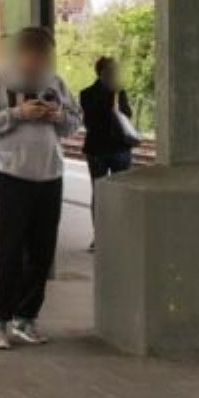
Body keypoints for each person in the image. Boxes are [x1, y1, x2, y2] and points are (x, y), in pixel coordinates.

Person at [0, 26, 80, 351]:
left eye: (45, 57)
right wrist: (18, 113)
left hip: (50, 177)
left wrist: (59, 116)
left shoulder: (56, 83)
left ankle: (26, 317)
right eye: (34, 57)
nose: (39, 64)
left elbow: (74, 123)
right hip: (11, 178)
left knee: (42, 254)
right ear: (20, 54)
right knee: (8, 253)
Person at [79, 56, 135, 251]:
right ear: (101, 72)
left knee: (119, 194)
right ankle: (101, 236)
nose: (115, 73)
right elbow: (91, 120)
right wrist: (111, 99)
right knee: (101, 194)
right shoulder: (87, 94)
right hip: (99, 150)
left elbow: (127, 114)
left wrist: (118, 100)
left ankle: (117, 235)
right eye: (112, 69)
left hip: (118, 149)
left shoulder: (119, 91)